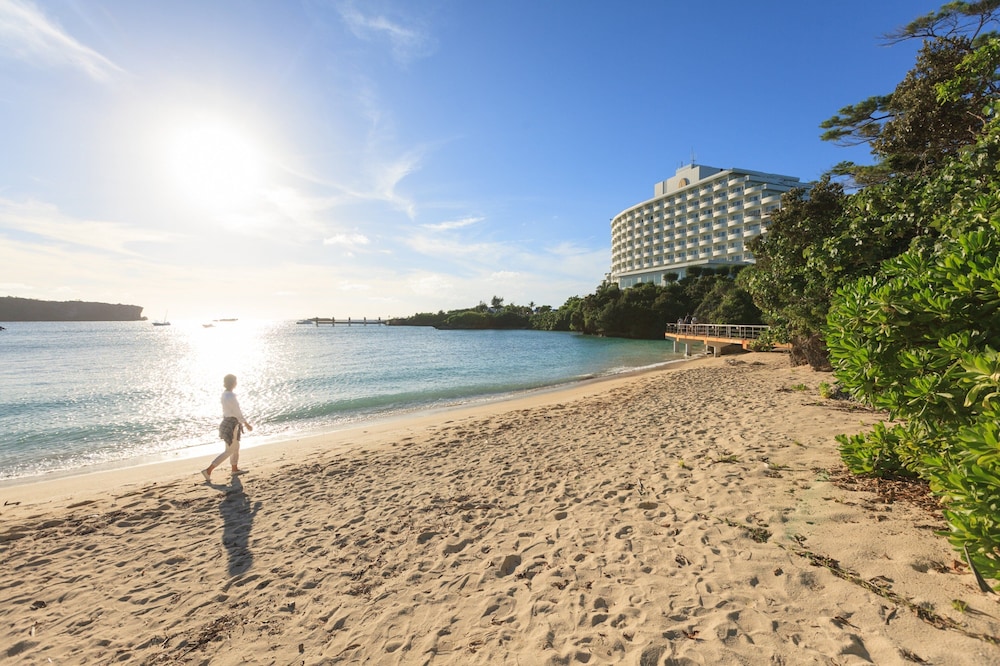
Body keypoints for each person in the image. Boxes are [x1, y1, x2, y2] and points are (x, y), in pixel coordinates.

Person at [202, 374, 253, 481]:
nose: (236, 383)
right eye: (235, 381)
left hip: (227, 422)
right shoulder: (231, 396)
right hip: (232, 424)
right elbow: (237, 412)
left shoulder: (224, 394)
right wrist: (246, 424)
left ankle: (234, 469)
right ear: (233, 383)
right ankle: (208, 470)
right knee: (229, 450)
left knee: (235, 447)